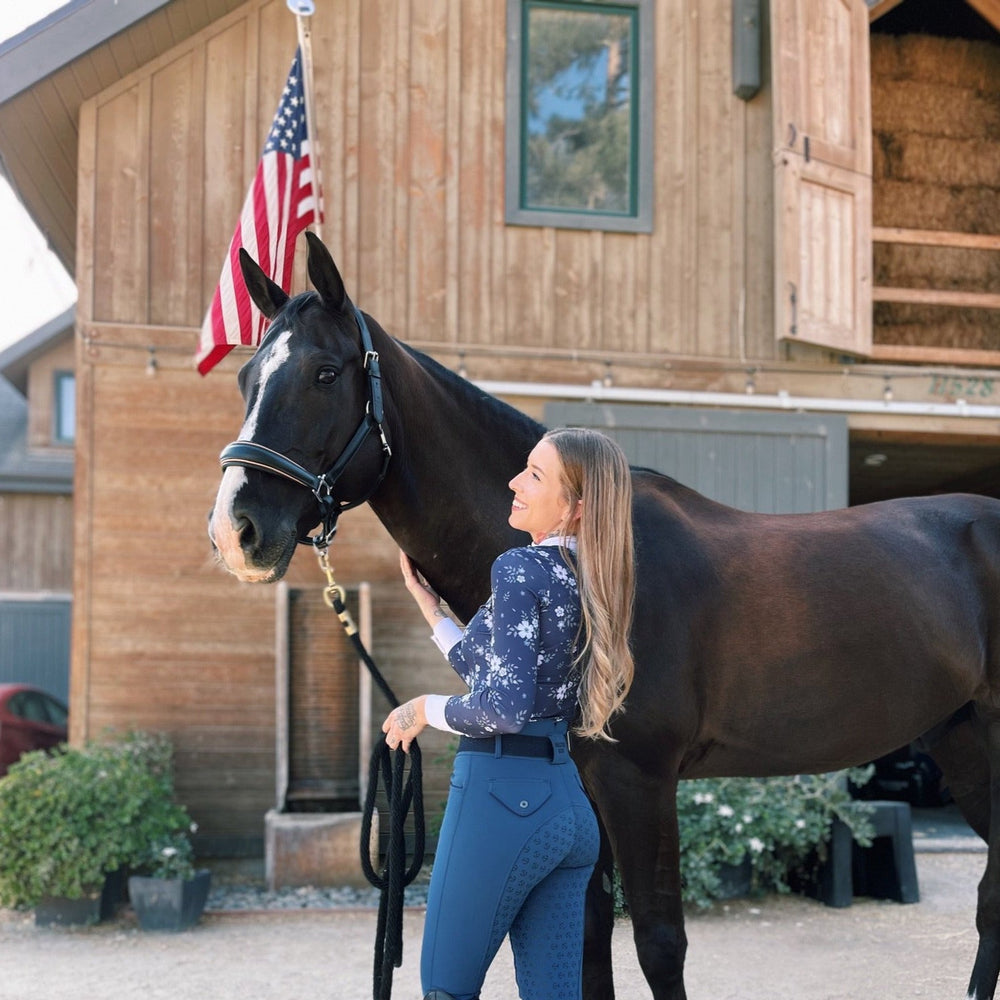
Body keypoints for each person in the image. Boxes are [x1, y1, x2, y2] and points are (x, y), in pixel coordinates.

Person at [382, 426, 635, 1000]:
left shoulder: (519, 568)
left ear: (576, 507)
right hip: (567, 807)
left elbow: (502, 707)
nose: (515, 482)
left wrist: (423, 708)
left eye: (536, 475)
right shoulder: (592, 579)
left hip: (502, 797)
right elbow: (503, 679)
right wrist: (433, 610)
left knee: (445, 989)